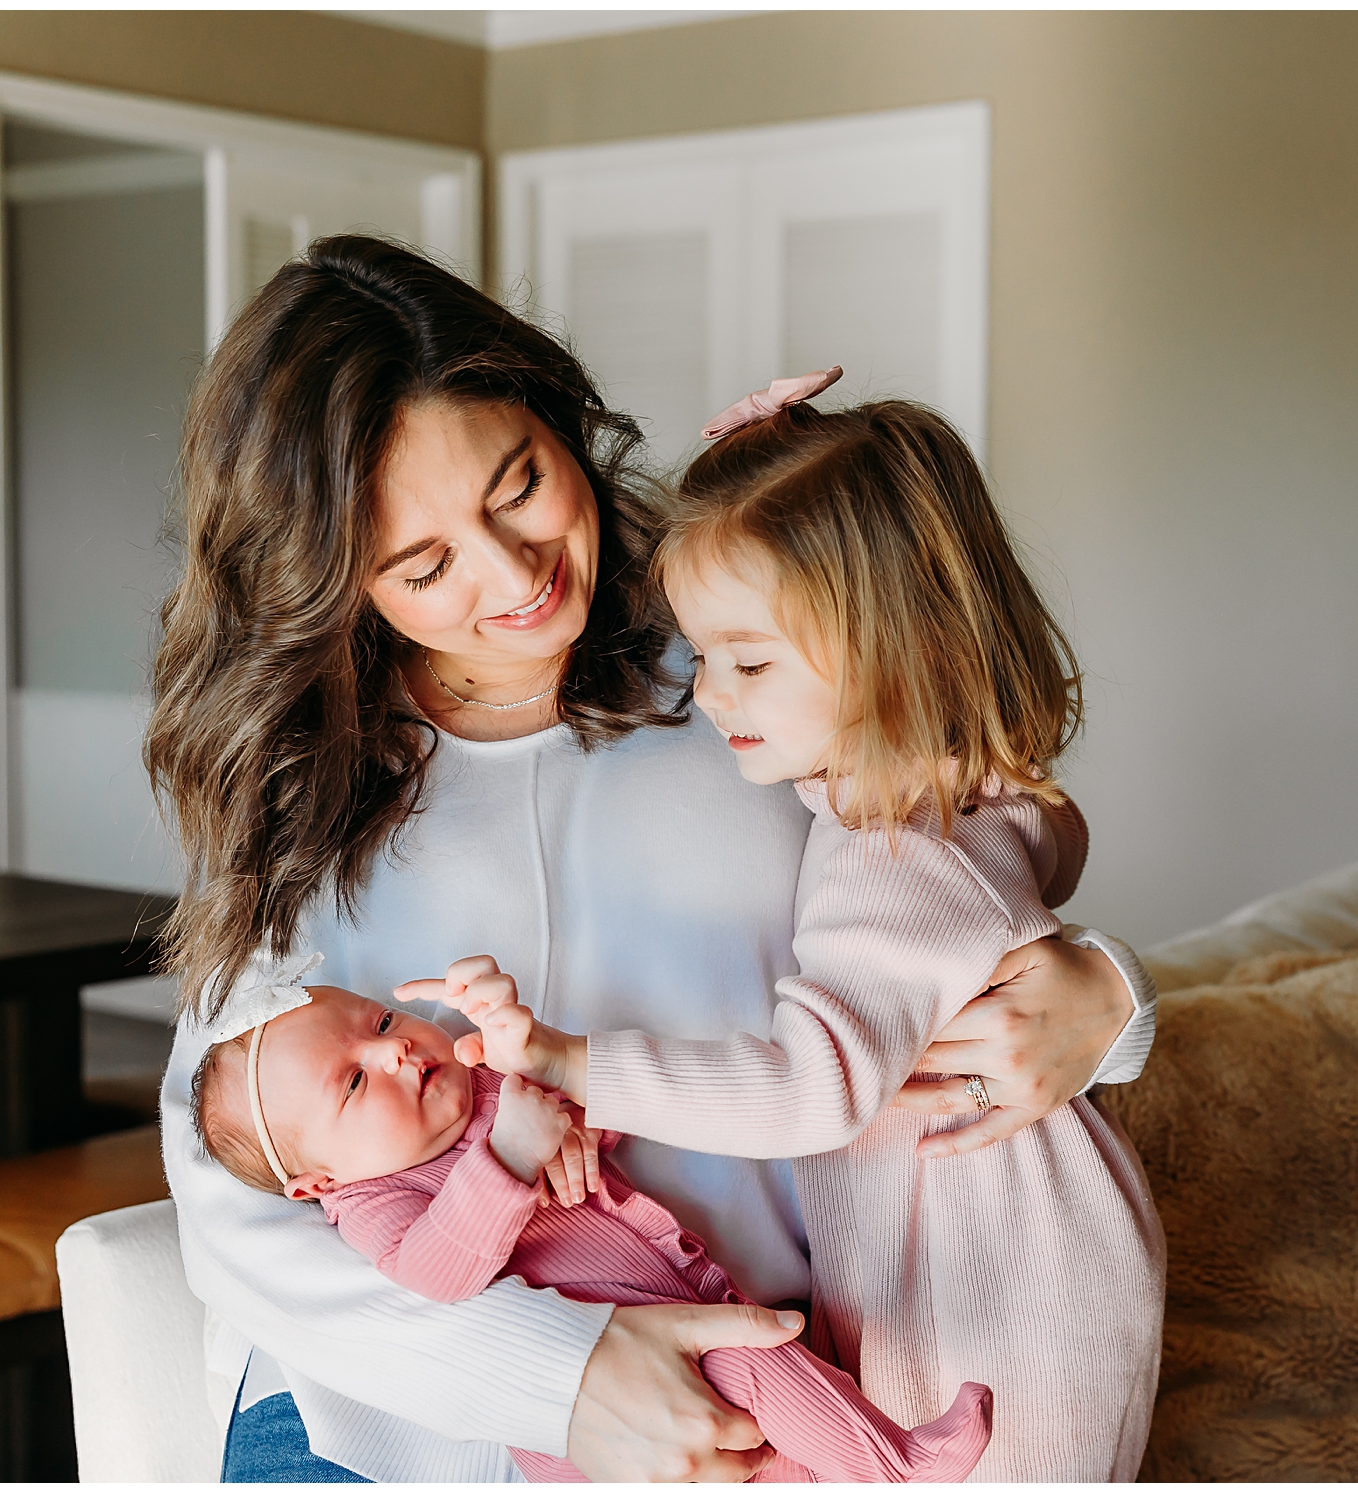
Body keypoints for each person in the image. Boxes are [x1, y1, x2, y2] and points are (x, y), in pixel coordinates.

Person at [147, 234, 1155, 1482]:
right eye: (425, 563)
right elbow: (227, 1173)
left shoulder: (738, 658)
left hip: (761, 1368)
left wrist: (1107, 1001)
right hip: (397, 1402)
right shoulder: (301, 772)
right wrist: (564, 1375)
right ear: (335, 581)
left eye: (518, 483)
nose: (514, 574)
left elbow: (968, 844)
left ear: (553, 414)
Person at [403, 387, 1167, 1481]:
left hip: (1001, 1290)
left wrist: (573, 1064)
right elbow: (1049, 841)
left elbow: (813, 1087)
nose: (710, 697)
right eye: (703, 654)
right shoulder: (935, 786)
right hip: (1013, 1255)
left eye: (749, 663)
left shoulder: (888, 849)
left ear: (901, 647)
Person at [188, 982, 996, 1483]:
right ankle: (902, 1466)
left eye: (380, 1018)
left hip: (675, 1311)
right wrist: (507, 1157)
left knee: (776, 1422)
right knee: (759, 1361)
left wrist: (568, 1112)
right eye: (354, 1082)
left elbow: (600, 1115)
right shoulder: (374, 1201)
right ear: (319, 1182)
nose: (393, 1049)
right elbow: (436, 1270)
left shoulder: (482, 1078)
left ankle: (857, 1465)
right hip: (587, 1412)